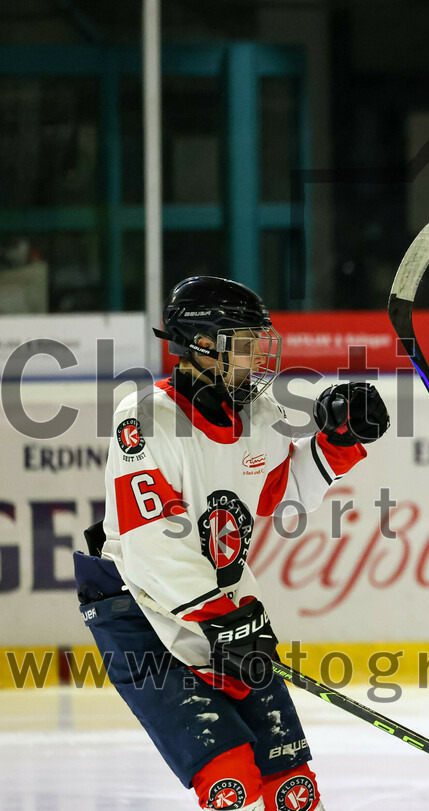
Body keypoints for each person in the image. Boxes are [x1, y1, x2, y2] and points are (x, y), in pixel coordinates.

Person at [74, 276, 390, 811]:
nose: (257, 359)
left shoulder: (258, 417)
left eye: (257, 343)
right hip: (141, 614)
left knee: (293, 791)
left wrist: (339, 442)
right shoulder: (147, 417)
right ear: (200, 346)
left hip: (225, 613)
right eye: (242, 346)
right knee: (232, 786)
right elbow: (152, 544)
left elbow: (280, 494)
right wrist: (222, 618)